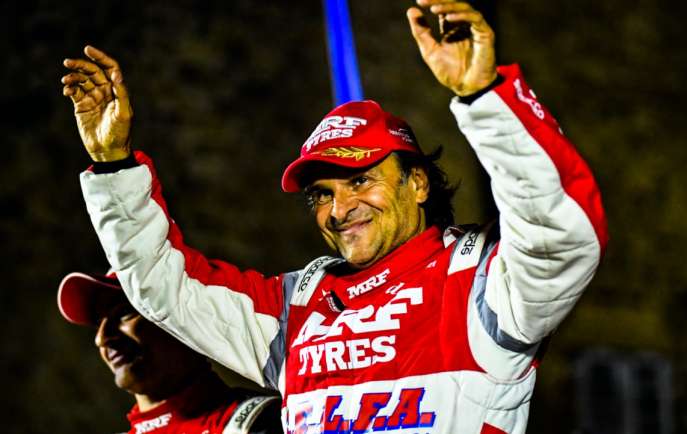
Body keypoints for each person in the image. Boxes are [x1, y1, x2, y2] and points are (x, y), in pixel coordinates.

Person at [61, 1, 608, 432]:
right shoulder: (295, 307)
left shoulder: (484, 282)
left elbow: (560, 234)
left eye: (360, 180)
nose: (340, 209)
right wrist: (113, 165)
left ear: (418, 183)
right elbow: (162, 287)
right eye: (321, 194)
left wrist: (484, 97)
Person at [57, 270, 283, 434]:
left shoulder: (267, 420)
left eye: (124, 313)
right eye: (98, 324)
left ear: (182, 318)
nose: (101, 338)